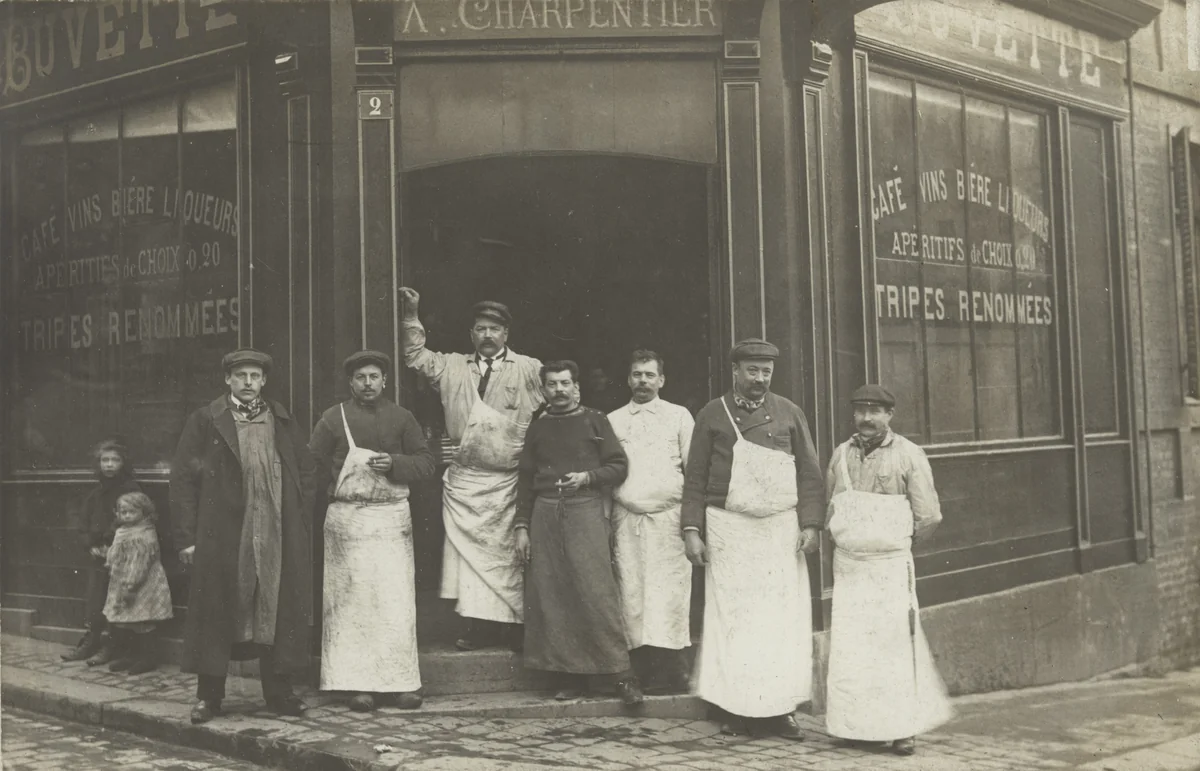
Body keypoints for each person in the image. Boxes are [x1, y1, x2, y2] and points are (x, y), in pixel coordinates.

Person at [681, 338, 824, 740]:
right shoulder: (712, 414)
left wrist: (811, 524)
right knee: (734, 619)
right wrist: (692, 530)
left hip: (778, 529)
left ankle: (780, 710)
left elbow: (809, 472)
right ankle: (734, 708)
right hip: (729, 528)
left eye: (766, 372)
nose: (759, 378)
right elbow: (694, 478)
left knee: (779, 620)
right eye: (752, 370)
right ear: (735, 371)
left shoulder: (789, 412)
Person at [171, 349, 317, 725]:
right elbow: (183, 480)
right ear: (228, 380)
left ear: (264, 380)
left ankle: (280, 694)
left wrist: (300, 520)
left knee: (275, 606)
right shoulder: (207, 420)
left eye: (255, 376)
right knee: (219, 607)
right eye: (241, 376)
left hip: (275, 531)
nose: (248, 382)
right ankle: (209, 697)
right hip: (223, 534)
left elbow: (306, 471)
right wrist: (187, 537)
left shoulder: (281, 419)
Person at [398, 288, 544, 652]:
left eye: (495, 329)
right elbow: (415, 355)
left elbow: (558, 398)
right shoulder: (452, 366)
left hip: (507, 479)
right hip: (464, 481)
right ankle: (478, 627)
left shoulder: (530, 368)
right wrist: (412, 314)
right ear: (471, 334)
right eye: (481, 329)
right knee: (468, 561)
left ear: (506, 334)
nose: (488, 335)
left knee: (509, 556)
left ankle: (515, 626)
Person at [824, 385, 952, 756]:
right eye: (861, 411)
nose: (867, 418)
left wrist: (893, 543)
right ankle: (856, 727)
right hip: (850, 566)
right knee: (853, 647)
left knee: (893, 646)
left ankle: (901, 730)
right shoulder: (841, 454)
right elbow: (831, 507)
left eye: (875, 411)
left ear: (889, 415)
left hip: (889, 566)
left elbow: (928, 516)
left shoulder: (908, 454)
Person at [310, 351, 437, 713]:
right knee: (350, 606)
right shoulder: (333, 418)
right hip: (347, 521)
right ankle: (355, 685)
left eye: (374, 377)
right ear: (351, 382)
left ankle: (402, 684)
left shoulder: (403, 417)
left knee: (394, 605)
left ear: (385, 381)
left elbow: (427, 462)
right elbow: (311, 465)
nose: (368, 383)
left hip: (391, 520)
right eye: (361, 377)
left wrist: (396, 463)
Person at [514, 360, 643, 706]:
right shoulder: (538, 427)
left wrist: (587, 478)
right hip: (545, 514)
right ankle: (568, 676)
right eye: (552, 384)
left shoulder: (595, 420)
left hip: (585, 509)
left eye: (565, 383)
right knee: (552, 595)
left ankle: (620, 676)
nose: (559, 390)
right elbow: (525, 479)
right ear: (544, 390)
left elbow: (618, 466)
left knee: (596, 592)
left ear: (577, 387)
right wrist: (522, 526)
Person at [607, 350, 695, 692]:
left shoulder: (679, 416)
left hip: (669, 519)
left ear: (661, 380)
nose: (642, 381)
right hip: (627, 518)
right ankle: (639, 669)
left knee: (669, 593)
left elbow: (693, 468)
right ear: (628, 380)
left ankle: (674, 671)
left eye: (649, 375)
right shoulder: (614, 420)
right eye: (637, 375)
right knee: (631, 591)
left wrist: (691, 521)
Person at [61, 438, 142, 665]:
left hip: (122, 554)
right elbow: (83, 523)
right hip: (99, 555)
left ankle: (111, 645)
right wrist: (90, 544)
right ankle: (92, 640)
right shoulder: (95, 494)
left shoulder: (131, 489)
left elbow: (126, 520)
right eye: (105, 460)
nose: (109, 465)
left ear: (123, 463)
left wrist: (108, 544)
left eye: (115, 460)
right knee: (95, 598)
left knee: (118, 600)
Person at [102, 492, 173, 675]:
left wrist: (131, 586)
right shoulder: (123, 530)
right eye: (123, 512)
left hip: (141, 582)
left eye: (132, 512)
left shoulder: (144, 533)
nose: (126, 516)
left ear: (144, 512)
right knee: (128, 619)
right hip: (123, 579)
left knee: (142, 620)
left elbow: (140, 563)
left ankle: (148, 657)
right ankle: (131, 655)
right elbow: (118, 551)